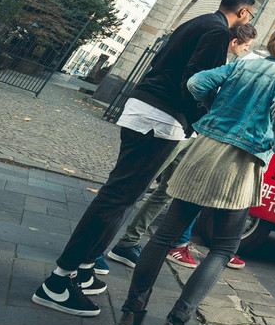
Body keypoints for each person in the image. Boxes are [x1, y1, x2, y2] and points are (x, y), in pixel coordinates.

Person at [32, 0, 256, 318]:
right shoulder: (217, 30)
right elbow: (194, 83)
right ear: (243, 13)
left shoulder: (199, 22)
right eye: (250, 15)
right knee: (117, 196)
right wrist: (204, 122)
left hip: (151, 111)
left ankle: (81, 267)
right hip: (159, 118)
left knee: (123, 197)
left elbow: (163, 64)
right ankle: (57, 282)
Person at [103, 19, 275, 325]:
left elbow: (197, 82)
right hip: (238, 162)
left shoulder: (243, 63)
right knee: (224, 249)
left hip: (203, 149)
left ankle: (128, 323)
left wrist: (210, 110)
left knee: (163, 236)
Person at [107, 22, 258, 272]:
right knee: (141, 184)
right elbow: (195, 86)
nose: (245, 51)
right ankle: (101, 248)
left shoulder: (227, 61)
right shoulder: (220, 60)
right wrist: (204, 111)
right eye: (246, 46)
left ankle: (127, 242)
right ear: (235, 42)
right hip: (180, 126)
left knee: (166, 190)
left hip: (190, 132)